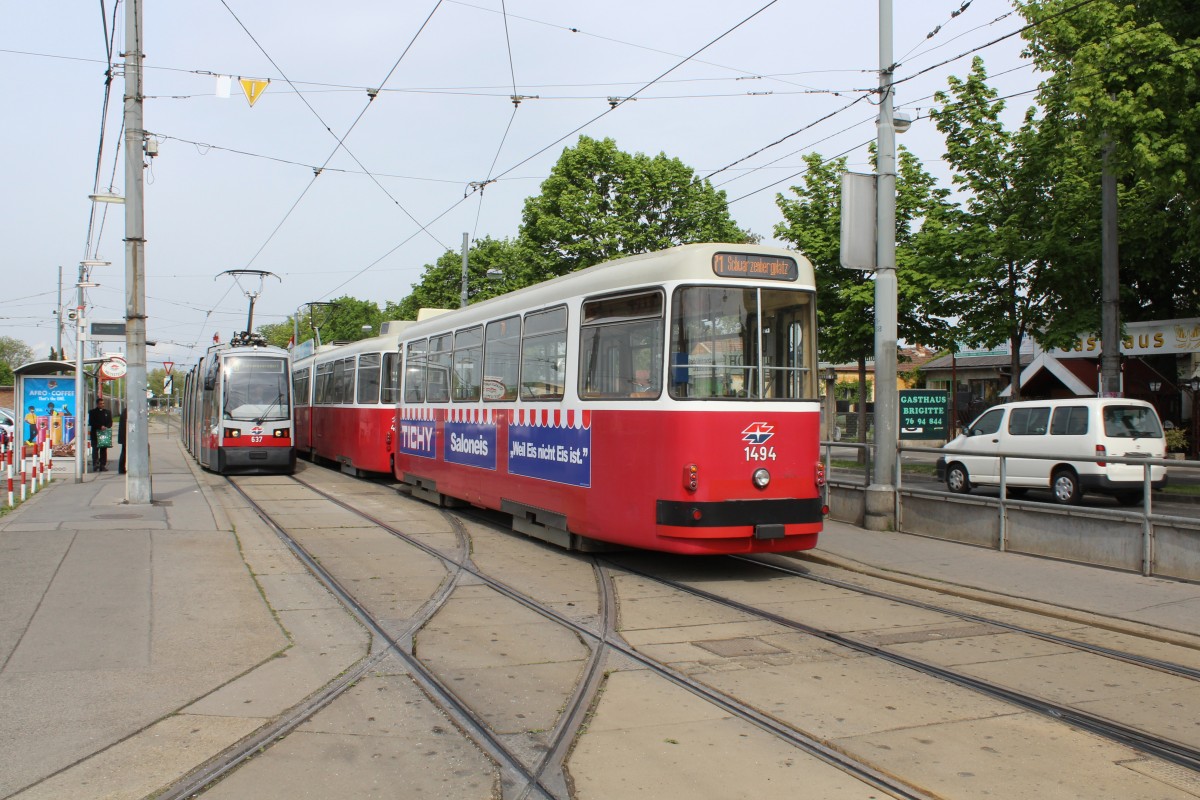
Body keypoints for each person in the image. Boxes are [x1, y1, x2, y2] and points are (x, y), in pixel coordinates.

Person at [88, 398, 113, 472]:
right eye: (100, 404)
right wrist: (99, 426)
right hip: (95, 434)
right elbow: (91, 422)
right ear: (97, 404)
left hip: (104, 434)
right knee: (95, 450)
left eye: (103, 403)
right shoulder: (92, 412)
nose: (102, 405)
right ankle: (95, 464)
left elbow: (110, 422)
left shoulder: (107, 412)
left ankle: (103, 465)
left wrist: (106, 427)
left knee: (103, 450)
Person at [117, 406, 127, 474]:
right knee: (124, 452)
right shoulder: (127, 412)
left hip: (125, 437)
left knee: (124, 452)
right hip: (126, 437)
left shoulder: (125, 411)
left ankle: (121, 468)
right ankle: (121, 469)